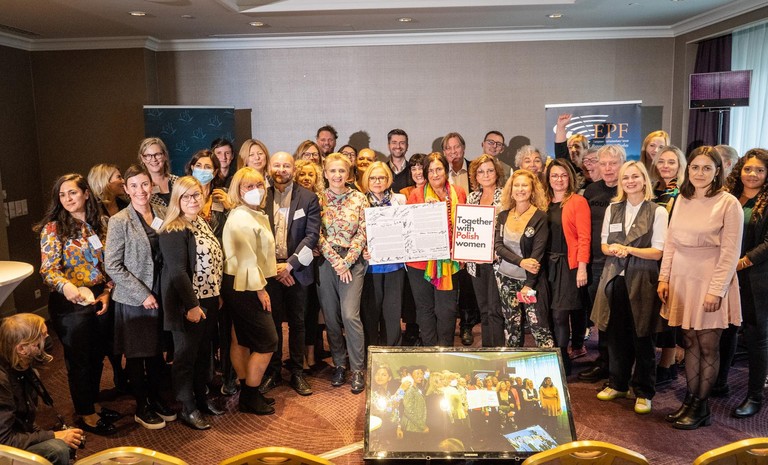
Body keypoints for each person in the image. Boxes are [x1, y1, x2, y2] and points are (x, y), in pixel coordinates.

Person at [658, 146, 743, 430]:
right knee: (689, 341)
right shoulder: (682, 199)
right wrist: (664, 277)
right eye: (695, 167)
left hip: (710, 280)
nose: (700, 173)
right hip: (682, 279)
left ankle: (701, 406)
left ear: (718, 171)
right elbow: (670, 241)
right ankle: (691, 401)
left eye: (707, 168)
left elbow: (730, 253)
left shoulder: (728, 203)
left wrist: (716, 290)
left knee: (707, 346)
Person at [35, 173, 118, 436]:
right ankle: (86, 414)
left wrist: (107, 290)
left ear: (85, 193)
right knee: (79, 359)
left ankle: (93, 404)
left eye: (72, 192)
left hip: (100, 297)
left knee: (97, 355)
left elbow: (110, 264)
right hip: (69, 301)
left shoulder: (99, 224)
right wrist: (66, 287)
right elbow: (49, 270)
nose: (68, 198)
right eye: (62, 194)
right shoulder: (54, 228)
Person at [591, 161, 668, 415]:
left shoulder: (658, 211)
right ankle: (618, 384)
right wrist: (613, 249)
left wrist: (629, 250)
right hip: (615, 278)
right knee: (615, 334)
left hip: (643, 278)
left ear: (644, 180)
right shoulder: (613, 208)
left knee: (643, 336)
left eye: (635, 177)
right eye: (626, 178)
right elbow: (604, 245)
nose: (630, 181)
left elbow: (658, 252)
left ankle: (644, 392)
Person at [105, 165, 176, 430]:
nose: (140, 190)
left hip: (161, 291)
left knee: (156, 351)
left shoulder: (162, 212)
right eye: (133, 186)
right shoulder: (119, 220)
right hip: (134, 297)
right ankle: (142, 406)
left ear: (152, 185)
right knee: (137, 355)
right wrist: (142, 293)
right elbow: (112, 265)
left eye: (144, 184)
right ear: (126, 189)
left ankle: (156, 398)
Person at [158, 176, 224, 430]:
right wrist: (192, 305)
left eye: (196, 194)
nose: (192, 200)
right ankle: (187, 407)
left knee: (203, 354)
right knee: (185, 356)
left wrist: (215, 294)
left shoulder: (200, 222)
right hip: (188, 304)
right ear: (177, 199)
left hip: (209, 298)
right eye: (186, 196)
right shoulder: (174, 228)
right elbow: (177, 273)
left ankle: (201, 398)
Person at [260, 153, 320, 396]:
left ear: (293, 169)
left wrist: (290, 265)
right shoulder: (261, 195)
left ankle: (297, 371)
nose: (281, 169)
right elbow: (255, 235)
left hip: (297, 270)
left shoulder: (308, 197)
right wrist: (274, 267)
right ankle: (273, 372)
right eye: (277, 165)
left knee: (298, 322)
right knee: (272, 323)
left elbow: (311, 236)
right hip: (268, 271)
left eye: (286, 166)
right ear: (270, 168)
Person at [220, 167, 280, 415]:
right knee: (268, 341)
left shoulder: (253, 213)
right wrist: (261, 290)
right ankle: (250, 394)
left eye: (259, 185)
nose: (256, 190)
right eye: (249, 186)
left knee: (241, 338)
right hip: (246, 285)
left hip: (246, 282)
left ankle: (247, 390)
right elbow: (246, 259)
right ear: (238, 190)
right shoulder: (241, 217)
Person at [0, 314, 83, 464]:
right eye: (42, 337)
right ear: (22, 349)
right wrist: (53, 436)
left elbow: (23, 421)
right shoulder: (2, 382)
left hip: (14, 437)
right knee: (57, 449)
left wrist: (55, 435)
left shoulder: (23, 368)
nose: (48, 340)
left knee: (65, 442)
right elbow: (4, 441)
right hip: (5, 449)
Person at [317, 153, 369, 393]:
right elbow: (316, 234)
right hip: (327, 262)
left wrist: (347, 262)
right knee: (331, 316)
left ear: (348, 174)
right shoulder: (318, 199)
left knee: (350, 315)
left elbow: (363, 232)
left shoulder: (359, 198)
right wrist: (336, 261)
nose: (337, 175)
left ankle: (357, 368)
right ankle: (339, 363)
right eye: (333, 171)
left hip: (353, 261)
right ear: (325, 173)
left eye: (342, 171)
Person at [723, 148, 768, 418]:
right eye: (748, 169)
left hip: (757, 278)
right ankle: (719, 383)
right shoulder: (729, 196)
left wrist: (741, 263)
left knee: (755, 336)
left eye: (760, 170)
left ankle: (755, 396)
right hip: (726, 275)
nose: (752, 174)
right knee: (726, 329)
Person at [406, 152, 467, 346]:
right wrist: (426, 211)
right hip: (420, 263)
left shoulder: (459, 192)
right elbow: (408, 227)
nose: (435, 174)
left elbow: (465, 225)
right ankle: (430, 350)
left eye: (438, 169)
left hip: (450, 261)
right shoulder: (416, 195)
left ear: (446, 170)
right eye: (430, 170)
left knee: (447, 309)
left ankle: (445, 350)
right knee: (425, 308)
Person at [578, 145, 625, 383]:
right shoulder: (591, 190)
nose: (607, 168)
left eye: (613, 163)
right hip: (594, 261)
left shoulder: (628, 189)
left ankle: (616, 366)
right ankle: (605, 361)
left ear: (622, 164)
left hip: (620, 263)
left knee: (616, 317)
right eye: (603, 163)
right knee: (599, 316)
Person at [494, 170, 554, 348]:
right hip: (505, 279)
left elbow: (537, 256)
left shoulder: (540, 217)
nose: (520, 189)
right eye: (516, 185)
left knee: (539, 327)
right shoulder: (503, 216)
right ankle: (512, 363)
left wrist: (529, 284)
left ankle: (550, 363)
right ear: (511, 190)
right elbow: (498, 246)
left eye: (525, 185)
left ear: (532, 190)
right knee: (511, 327)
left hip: (530, 282)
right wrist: (520, 261)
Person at [544, 159, 591, 374]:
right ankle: (553, 353)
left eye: (563, 175)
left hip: (567, 264)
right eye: (554, 175)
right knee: (549, 314)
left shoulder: (578, 201)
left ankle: (563, 360)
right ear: (548, 178)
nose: (559, 179)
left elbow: (584, 237)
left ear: (570, 177)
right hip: (546, 265)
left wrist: (582, 267)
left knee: (560, 315)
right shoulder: (543, 201)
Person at [361, 162, 407, 347]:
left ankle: (392, 353)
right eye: (373, 178)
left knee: (392, 313)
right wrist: (361, 250)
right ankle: (371, 353)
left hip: (395, 266)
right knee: (370, 314)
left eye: (381, 177)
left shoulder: (400, 200)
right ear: (367, 180)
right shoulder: (359, 201)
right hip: (369, 267)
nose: (377, 181)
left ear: (388, 179)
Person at [652, 145, 687, 386]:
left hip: (675, 256)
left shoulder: (683, 192)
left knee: (669, 310)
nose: (666, 166)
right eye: (662, 161)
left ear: (680, 165)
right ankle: (668, 360)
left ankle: (667, 362)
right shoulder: (654, 189)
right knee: (659, 310)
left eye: (671, 162)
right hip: (654, 255)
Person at [442, 133, 478, 346]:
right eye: (448, 148)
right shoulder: (438, 171)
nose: (453, 152)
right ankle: (447, 326)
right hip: (445, 236)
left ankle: (466, 325)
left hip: (469, 233)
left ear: (463, 148)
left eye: (456, 147)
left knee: (467, 284)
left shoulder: (475, 169)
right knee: (448, 282)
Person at [467, 155, 505, 347]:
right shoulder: (472, 197)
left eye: (490, 170)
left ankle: (496, 351)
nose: (486, 175)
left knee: (495, 310)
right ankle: (487, 349)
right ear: (475, 176)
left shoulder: (505, 196)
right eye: (481, 172)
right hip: (476, 262)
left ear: (497, 173)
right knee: (483, 309)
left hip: (498, 262)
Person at [185, 149, 227, 238]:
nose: (202, 170)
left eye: (207, 167)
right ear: (192, 168)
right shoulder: (183, 195)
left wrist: (230, 208)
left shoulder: (222, 195)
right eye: (198, 166)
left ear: (215, 172)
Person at [138, 137, 177, 208]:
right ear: (142, 158)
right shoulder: (139, 187)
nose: (154, 159)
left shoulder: (177, 181)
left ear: (165, 156)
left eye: (158, 154)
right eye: (148, 156)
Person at [386, 129, 414, 193]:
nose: (398, 146)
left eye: (402, 143)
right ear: (388, 146)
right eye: (394, 143)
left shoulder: (414, 171)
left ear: (407, 146)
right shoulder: (382, 170)